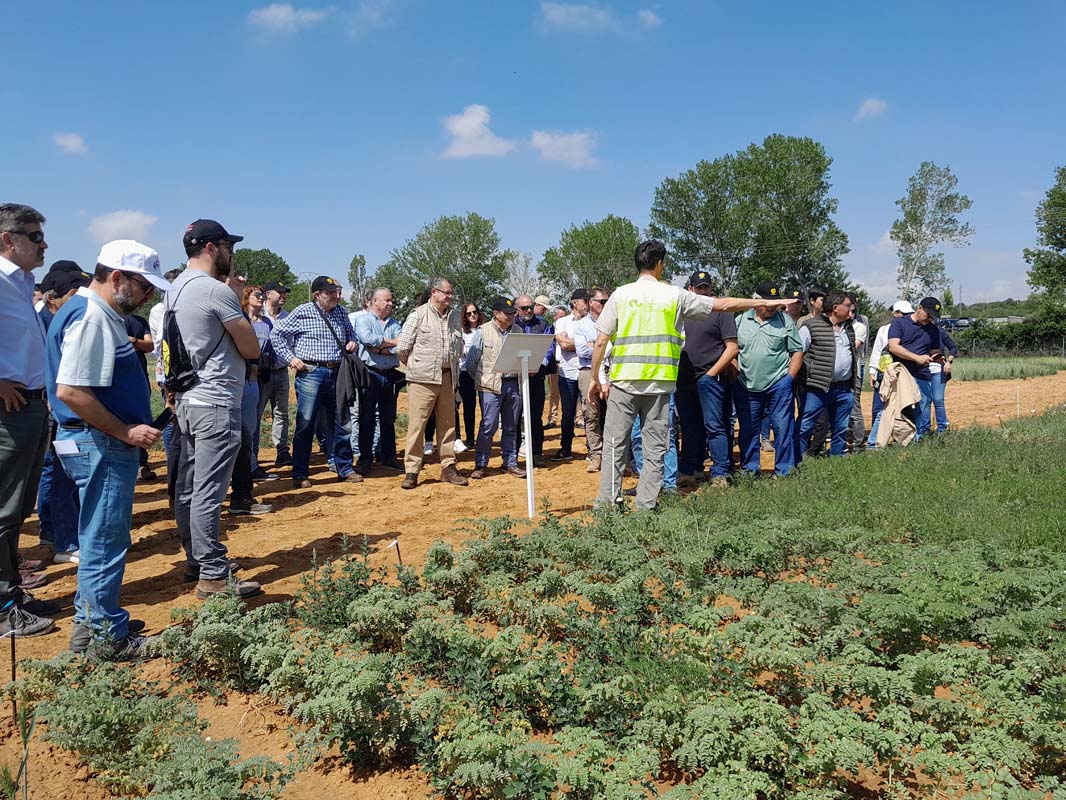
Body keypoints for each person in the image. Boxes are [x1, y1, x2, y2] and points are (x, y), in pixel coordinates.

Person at [588, 242, 790, 511]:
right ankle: (646, 507)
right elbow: (724, 304)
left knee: (615, 445)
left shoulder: (621, 295)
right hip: (659, 385)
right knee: (656, 449)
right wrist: (763, 302)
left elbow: (601, 341)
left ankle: (607, 505)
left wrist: (594, 378)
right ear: (660, 264)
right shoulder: (674, 296)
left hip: (624, 383)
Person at [48, 240, 174, 658]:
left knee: (99, 534)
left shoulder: (92, 312)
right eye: (144, 287)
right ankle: (106, 637)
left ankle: (92, 624)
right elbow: (70, 391)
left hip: (92, 440)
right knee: (104, 538)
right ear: (117, 278)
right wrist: (125, 431)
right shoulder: (92, 317)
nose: (148, 297)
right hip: (99, 441)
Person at [168, 219, 263, 599]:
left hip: (189, 400)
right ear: (210, 247)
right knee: (209, 491)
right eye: (228, 246)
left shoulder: (174, 290)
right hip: (216, 400)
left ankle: (196, 558)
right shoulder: (214, 291)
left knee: (189, 489)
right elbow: (252, 347)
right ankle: (212, 573)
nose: (231, 253)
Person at [0, 204, 56, 634]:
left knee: (17, 508)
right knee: (4, 508)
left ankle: (10, 591)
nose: (43, 244)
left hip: (33, 406)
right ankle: (3, 607)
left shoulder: (21, 284)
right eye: (35, 236)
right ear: (8, 239)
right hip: (10, 410)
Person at [271, 276, 359, 487]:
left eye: (336, 292)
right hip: (311, 372)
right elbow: (277, 334)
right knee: (306, 424)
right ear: (317, 295)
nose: (336, 296)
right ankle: (300, 474)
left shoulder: (341, 311)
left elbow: (351, 333)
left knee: (341, 423)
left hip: (338, 372)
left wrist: (352, 343)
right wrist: (291, 358)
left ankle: (344, 468)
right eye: (330, 293)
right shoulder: (303, 311)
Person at [394, 277, 469, 489]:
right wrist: (417, 367)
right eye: (446, 293)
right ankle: (412, 470)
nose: (450, 297)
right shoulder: (418, 315)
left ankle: (448, 467)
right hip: (422, 380)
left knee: (448, 425)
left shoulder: (455, 317)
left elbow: (458, 346)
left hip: (448, 377)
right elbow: (402, 348)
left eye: (451, 293)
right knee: (417, 426)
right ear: (434, 292)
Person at [733, 281, 805, 478]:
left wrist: (789, 377)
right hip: (746, 385)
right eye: (767, 303)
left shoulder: (785, 321)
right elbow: (731, 349)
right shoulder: (740, 320)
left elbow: (797, 350)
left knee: (783, 428)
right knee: (748, 429)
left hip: (778, 384)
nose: (772, 307)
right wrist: (736, 373)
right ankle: (749, 470)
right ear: (756, 301)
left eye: (775, 303)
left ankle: (784, 471)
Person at [675, 271, 739, 489]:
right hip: (683, 378)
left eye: (706, 287)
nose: (703, 291)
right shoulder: (681, 312)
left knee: (714, 426)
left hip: (709, 376)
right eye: (699, 287)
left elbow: (732, 347)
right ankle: (690, 470)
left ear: (711, 288)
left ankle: (720, 472)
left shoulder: (722, 311)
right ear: (690, 289)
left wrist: (712, 373)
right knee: (690, 426)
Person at [467, 296, 526, 479]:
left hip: (512, 384)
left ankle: (510, 463)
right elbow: (471, 362)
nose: (510, 317)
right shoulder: (483, 332)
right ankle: (481, 464)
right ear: (496, 313)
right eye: (507, 313)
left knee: (511, 426)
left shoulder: (518, 331)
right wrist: (482, 380)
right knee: (489, 425)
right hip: (489, 387)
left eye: (512, 313)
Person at [797, 291, 857, 459]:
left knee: (841, 427)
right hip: (817, 388)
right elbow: (797, 353)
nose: (851, 309)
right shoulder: (811, 326)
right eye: (848, 306)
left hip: (843, 388)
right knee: (805, 426)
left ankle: (837, 459)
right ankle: (797, 459)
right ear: (836, 308)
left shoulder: (849, 328)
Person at [354, 288, 404, 475]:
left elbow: (402, 344)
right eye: (387, 300)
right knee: (366, 418)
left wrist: (380, 347)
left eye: (391, 300)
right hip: (370, 374)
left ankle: (388, 457)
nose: (391, 303)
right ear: (375, 301)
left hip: (390, 374)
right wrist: (390, 343)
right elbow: (368, 339)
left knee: (388, 419)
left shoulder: (394, 323)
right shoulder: (363, 320)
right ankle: (365, 459)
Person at [887, 297, 943, 442]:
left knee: (922, 408)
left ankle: (919, 439)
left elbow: (934, 350)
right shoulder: (899, 323)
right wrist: (916, 357)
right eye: (928, 314)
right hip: (901, 375)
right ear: (919, 308)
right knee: (898, 409)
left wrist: (937, 357)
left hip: (923, 375)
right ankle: (895, 440)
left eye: (932, 316)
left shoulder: (933, 329)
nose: (929, 318)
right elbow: (893, 346)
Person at [148, 268, 184, 489]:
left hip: (186, 375)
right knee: (172, 421)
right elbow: (162, 342)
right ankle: (174, 479)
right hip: (168, 374)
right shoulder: (159, 310)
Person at [513, 294, 554, 468]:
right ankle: (512, 458)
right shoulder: (511, 324)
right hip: (514, 377)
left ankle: (537, 454)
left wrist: (537, 365)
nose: (528, 311)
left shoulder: (543, 325)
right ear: (517, 309)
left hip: (536, 377)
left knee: (535, 418)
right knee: (513, 418)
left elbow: (549, 348)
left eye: (531, 307)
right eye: (524, 308)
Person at [866, 301, 911, 447]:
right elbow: (877, 351)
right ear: (895, 313)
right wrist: (872, 371)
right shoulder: (884, 330)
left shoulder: (912, 329)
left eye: (907, 314)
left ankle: (898, 439)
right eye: (901, 314)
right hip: (883, 373)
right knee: (878, 408)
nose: (904, 317)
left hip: (902, 374)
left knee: (902, 407)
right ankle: (877, 439)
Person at [552, 289, 591, 462]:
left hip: (587, 372)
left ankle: (593, 450)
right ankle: (565, 448)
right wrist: (585, 343)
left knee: (590, 412)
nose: (589, 303)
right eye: (586, 300)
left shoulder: (592, 322)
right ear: (575, 303)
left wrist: (575, 342)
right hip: (567, 373)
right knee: (568, 414)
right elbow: (563, 343)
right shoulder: (562, 322)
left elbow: (598, 343)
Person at [574, 287, 608, 472]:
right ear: (590, 303)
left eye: (606, 301)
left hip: (610, 370)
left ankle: (615, 456)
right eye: (601, 301)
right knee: (591, 414)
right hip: (588, 371)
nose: (604, 305)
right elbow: (582, 351)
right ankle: (596, 456)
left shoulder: (614, 321)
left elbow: (610, 347)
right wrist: (601, 345)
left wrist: (593, 344)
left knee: (613, 414)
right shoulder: (580, 325)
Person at [261, 282, 292, 467]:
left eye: (284, 292)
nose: (283, 295)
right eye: (279, 292)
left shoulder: (287, 317)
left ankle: (282, 451)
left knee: (281, 413)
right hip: (262, 373)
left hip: (281, 372)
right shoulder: (258, 314)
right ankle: (251, 456)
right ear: (268, 294)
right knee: (256, 413)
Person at [124, 308, 155, 480]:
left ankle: (142, 464)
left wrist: (134, 341)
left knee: (141, 419)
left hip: (140, 378)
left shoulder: (138, 321)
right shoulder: (110, 319)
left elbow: (149, 345)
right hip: (121, 380)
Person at [457, 302, 483, 450]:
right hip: (465, 373)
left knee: (485, 406)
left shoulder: (484, 330)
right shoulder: (461, 332)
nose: (472, 315)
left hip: (482, 372)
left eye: (474, 312)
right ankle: (470, 438)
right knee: (469, 406)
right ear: (465, 316)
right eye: (469, 313)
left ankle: (483, 437)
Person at [928, 320, 959, 434]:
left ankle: (942, 429)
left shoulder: (939, 331)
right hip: (923, 370)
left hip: (938, 370)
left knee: (938, 399)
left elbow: (953, 348)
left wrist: (949, 362)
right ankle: (925, 429)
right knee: (925, 401)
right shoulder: (918, 332)